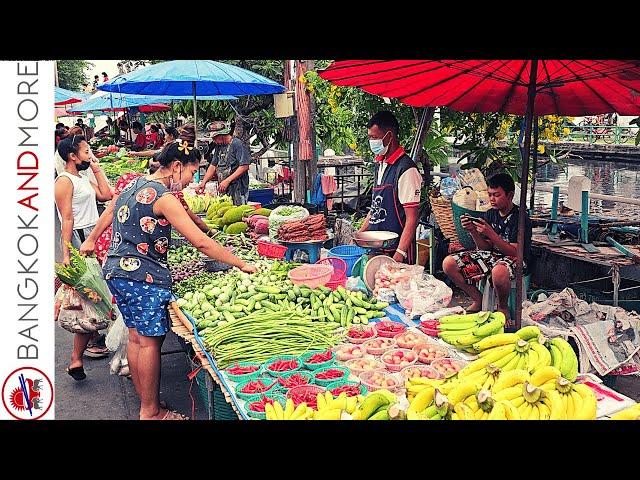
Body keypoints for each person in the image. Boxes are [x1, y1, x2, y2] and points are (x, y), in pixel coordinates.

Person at [101, 140, 257, 420]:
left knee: (137, 339)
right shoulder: (163, 197)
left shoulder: (133, 185)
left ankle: (145, 402)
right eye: (191, 173)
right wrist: (241, 263)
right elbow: (200, 242)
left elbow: (111, 214)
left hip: (117, 272)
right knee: (149, 343)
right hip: (142, 277)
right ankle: (151, 411)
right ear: (176, 167)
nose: (189, 181)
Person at [54, 135, 114, 379]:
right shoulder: (64, 181)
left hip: (94, 235)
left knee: (96, 295)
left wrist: (96, 169)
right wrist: (67, 253)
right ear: (72, 156)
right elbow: (66, 219)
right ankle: (77, 357)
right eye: (86, 151)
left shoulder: (82, 177)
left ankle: (87, 345)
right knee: (92, 296)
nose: (90, 155)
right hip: (81, 238)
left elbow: (107, 195)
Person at [442, 172, 532, 324]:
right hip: (493, 257)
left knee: (499, 270)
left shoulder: (520, 218)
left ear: (509, 195)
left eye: (496, 195)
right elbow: (485, 248)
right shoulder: (490, 214)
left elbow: (516, 252)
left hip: (517, 259)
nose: (492, 199)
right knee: (449, 263)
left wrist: (492, 234)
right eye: (490, 195)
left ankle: (502, 308)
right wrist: (473, 232)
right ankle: (478, 299)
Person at [357, 111, 422, 264]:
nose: (371, 142)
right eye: (370, 137)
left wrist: (399, 254)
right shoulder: (380, 165)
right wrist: (359, 233)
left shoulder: (406, 170)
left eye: (374, 137)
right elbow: (375, 208)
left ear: (389, 136)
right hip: (377, 248)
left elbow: (412, 218)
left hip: (396, 250)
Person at [195, 120, 251, 205]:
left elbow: (244, 166)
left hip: (238, 189)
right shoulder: (219, 147)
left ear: (221, 135)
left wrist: (227, 180)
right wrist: (203, 183)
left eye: (214, 138)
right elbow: (213, 166)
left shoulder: (237, 144)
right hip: (224, 189)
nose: (213, 140)